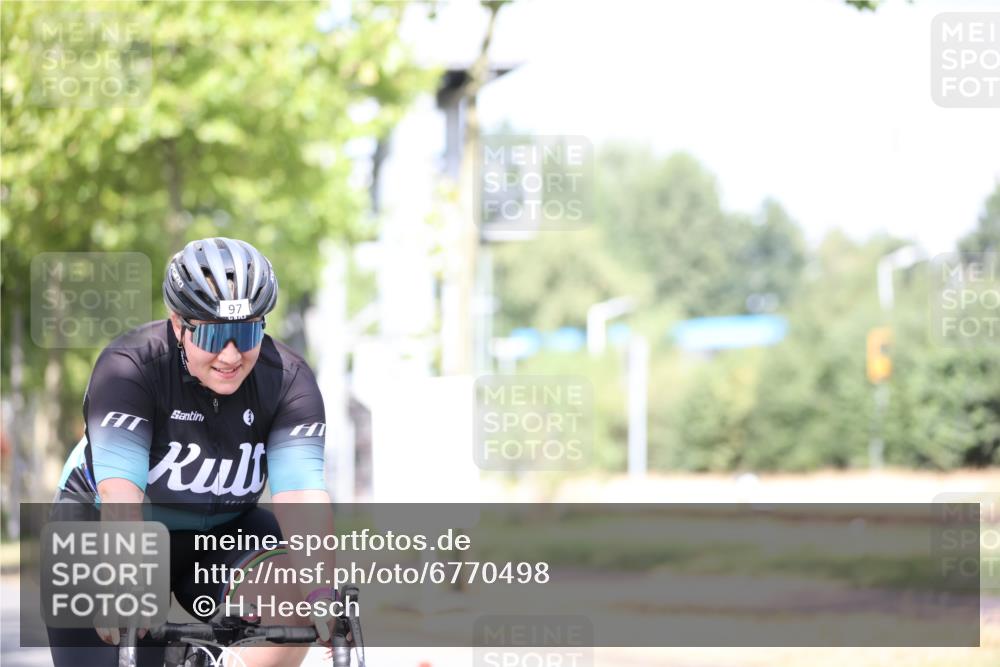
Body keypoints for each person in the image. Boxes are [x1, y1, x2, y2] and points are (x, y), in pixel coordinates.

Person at [47, 237, 338, 667]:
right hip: (110, 520)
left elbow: (300, 496)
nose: (231, 354)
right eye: (215, 333)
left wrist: (321, 592)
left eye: (246, 331)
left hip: (222, 528)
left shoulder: (288, 380)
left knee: (293, 603)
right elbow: (121, 498)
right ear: (178, 323)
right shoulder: (129, 367)